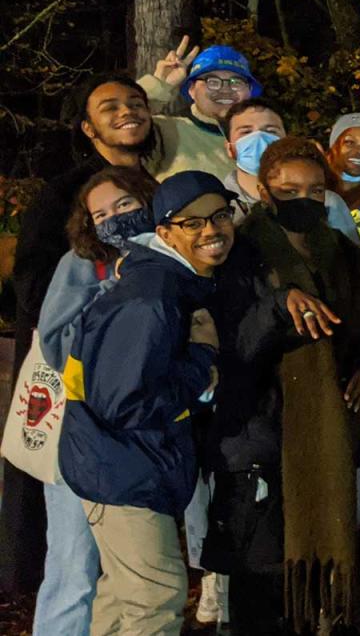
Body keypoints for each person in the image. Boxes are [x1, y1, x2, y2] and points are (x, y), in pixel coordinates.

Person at [206, 137, 360, 634]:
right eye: (288, 188)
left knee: (318, 575)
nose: (304, 198)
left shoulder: (344, 254)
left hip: (327, 435)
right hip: (257, 437)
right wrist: (280, 303)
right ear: (263, 189)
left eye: (316, 189)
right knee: (260, 582)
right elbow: (232, 347)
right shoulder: (240, 251)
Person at [1, 72, 156, 595]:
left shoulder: (158, 187)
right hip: (76, 374)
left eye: (136, 102)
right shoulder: (68, 193)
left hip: (142, 380)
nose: (127, 111)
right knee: (69, 533)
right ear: (88, 127)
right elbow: (35, 280)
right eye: (109, 106)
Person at [58, 171, 231, 634]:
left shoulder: (167, 283)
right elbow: (124, 404)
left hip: (119, 463)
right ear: (165, 230)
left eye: (219, 216)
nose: (211, 230)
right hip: (123, 467)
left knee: (122, 597)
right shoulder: (152, 297)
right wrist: (202, 361)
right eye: (192, 223)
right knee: (156, 597)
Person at [30, 166, 158, 635]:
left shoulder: (179, 259)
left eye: (124, 205)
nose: (113, 219)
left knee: (132, 579)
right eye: (99, 213)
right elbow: (55, 341)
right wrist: (115, 289)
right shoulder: (84, 264)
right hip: (83, 434)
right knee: (73, 564)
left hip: (150, 440)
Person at [221, 98, 360, 242]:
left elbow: (354, 260)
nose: (259, 138)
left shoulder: (327, 203)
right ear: (230, 148)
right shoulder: (217, 205)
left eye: (270, 131)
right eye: (246, 132)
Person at [139, 37, 264, 181]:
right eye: (212, 82)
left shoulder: (265, 138)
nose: (225, 90)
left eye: (236, 82)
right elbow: (116, 132)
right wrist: (156, 88)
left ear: (249, 91)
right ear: (192, 89)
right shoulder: (164, 131)